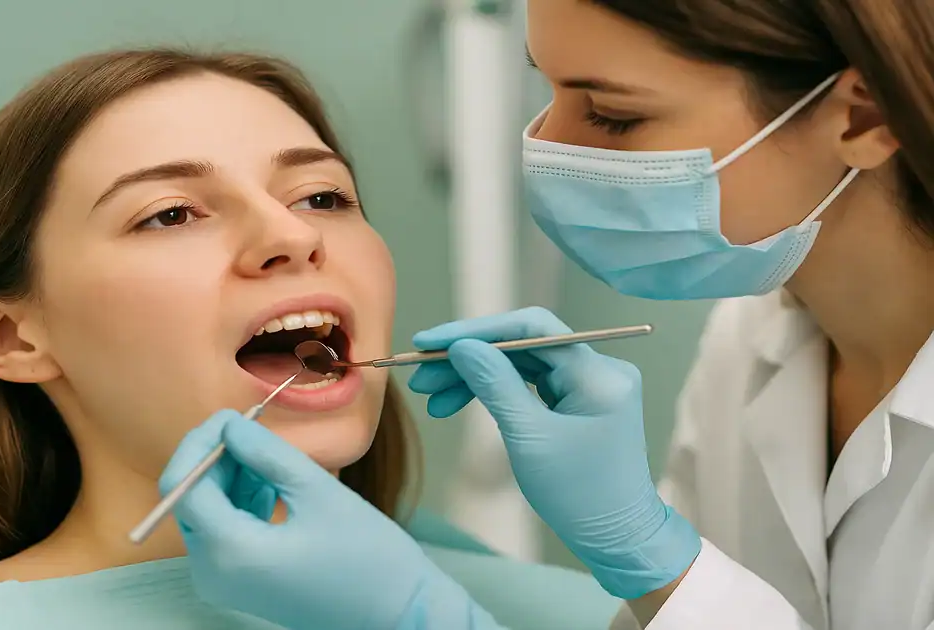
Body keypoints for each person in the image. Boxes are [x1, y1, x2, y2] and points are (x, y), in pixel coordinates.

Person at [163, 0, 934, 629]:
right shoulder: (754, 337)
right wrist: (651, 556)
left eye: (612, 114)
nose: (546, 147)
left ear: (861, 115)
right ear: (32, 334)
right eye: (168, 215)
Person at [0, 48, 508, 629]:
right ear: (9, 335)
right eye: (171, 214)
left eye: (322, 197)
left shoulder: (510, 599)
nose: (294, 236)